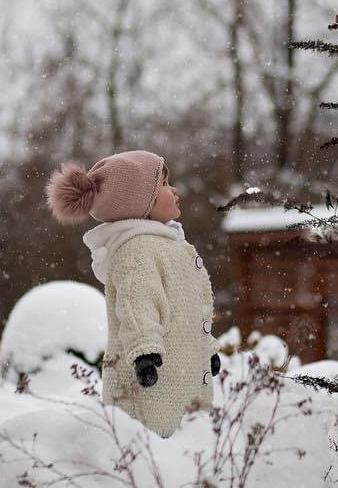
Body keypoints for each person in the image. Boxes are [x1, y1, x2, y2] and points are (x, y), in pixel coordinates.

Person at [45, 150, 220, 437]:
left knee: (186, 448)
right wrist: (144, 353)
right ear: (140, 202)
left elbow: (191, 307)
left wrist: (208, 348)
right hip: (152, 381)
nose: (173, 189)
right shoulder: (136, 250)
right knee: (151, 449)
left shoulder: (172, 245)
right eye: (163, 185)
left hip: (182, 377)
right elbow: (137, 304)